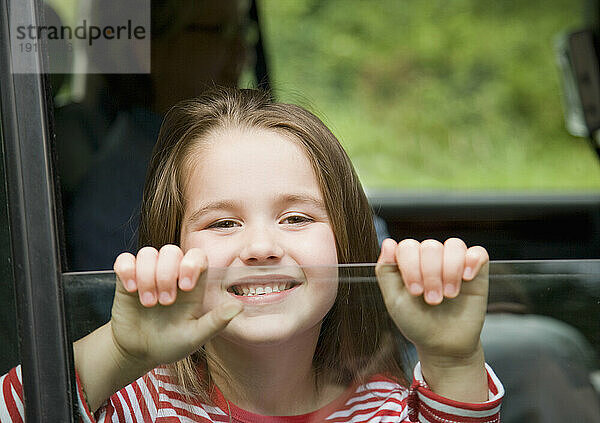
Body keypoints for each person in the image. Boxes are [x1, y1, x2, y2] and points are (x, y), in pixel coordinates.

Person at [1, 88, 503, 422]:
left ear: (347, 240)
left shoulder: (387, 411)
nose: (262, 247)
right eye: (223, 223)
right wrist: (119, 352)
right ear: (172, 252)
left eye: (297, 218)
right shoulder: (139, 405)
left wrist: (452, 358)